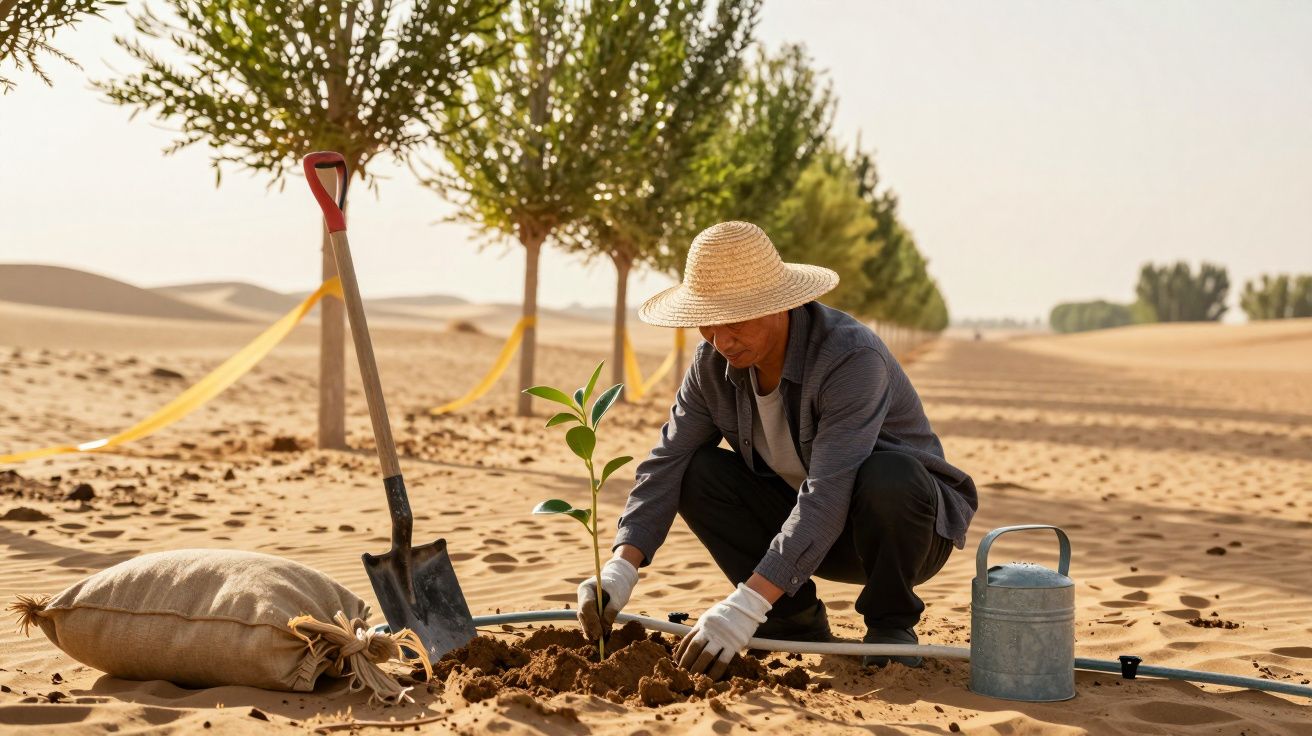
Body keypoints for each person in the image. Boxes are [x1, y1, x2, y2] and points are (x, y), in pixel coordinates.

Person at [576, 221, 977, 679]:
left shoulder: (849, 357)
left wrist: (745, 607)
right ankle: (793, 620)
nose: (720, 339)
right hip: (805, 535)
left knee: (888, 476)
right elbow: (666, 461)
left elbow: (830, 489)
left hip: (901, 533)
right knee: (694, 468)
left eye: (735, 321)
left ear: (779, 307)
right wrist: (619, 569)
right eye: (707, 321)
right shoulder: (713, 364)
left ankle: (891, 626)